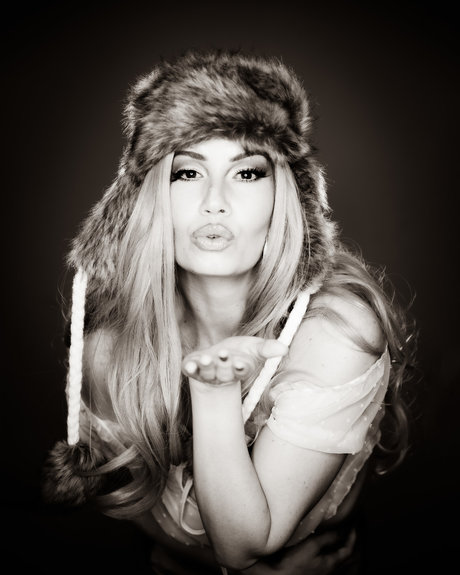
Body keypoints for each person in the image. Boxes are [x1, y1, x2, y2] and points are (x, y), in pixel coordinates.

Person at [43, 50, 415, 574]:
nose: (214, 202)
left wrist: (214, 392)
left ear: (286, 195)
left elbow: (244, 544)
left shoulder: (334, 332)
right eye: (188, 172)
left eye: (246, 173)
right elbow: (134, 504)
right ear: (147, 198)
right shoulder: (110, 345)